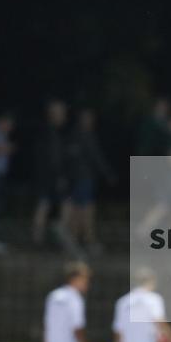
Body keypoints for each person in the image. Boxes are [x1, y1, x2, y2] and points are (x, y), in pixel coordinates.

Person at [66, 108, 115, 252]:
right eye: (88, 118)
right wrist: (107, 173)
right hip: (82, 177)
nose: (91, 122)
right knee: (85, 208)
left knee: (80, 208)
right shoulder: (84, 135)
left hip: (79, 177)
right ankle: (87, 240)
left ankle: (76, 240)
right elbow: (96, 157)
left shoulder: (75, 135)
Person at [32, 99, 71, 246]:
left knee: (45, 206)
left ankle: (40, 239)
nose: (63, 116)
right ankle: (45, 239)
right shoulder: (50, 132)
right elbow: (53, 158)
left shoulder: (50, 131)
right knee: (48, 206)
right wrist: (60, 176)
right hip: (50, 177)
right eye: (60, 113)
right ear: (53, 114)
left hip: (45, 176)